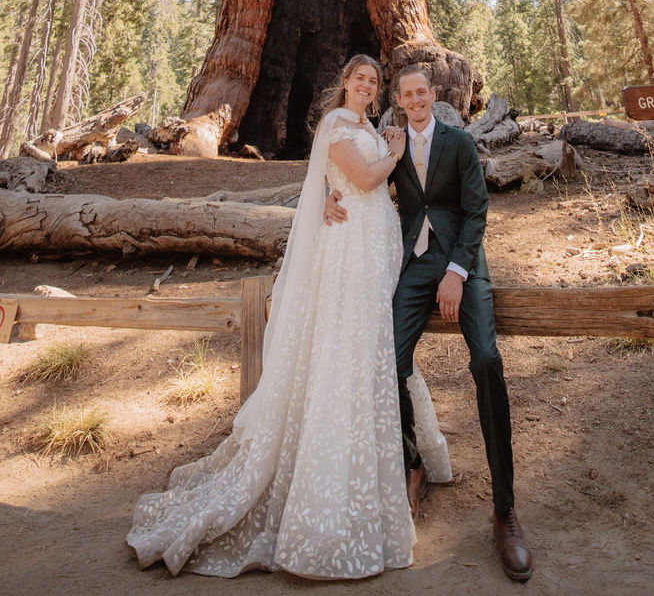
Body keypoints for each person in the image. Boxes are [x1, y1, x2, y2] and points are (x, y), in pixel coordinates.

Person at [126, 53, 449, 579]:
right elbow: (365, 181)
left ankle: (399, 457)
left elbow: (335, 177)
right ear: (344, 82)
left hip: (375, 244)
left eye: (373, 81)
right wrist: (388, 156)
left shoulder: (366, 124)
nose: (367, 86)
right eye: (359, 79)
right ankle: (333, 477)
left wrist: (331, 189)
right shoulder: (340, 123)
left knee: (378, 347)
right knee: (350, 344)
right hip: (351, 251)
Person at [326, 64, 533, 583]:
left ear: (434, 95)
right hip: (415, 266)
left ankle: (505, 509)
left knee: (486, 360)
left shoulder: (460, 142)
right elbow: (361, 180)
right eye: (407, 95)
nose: (416, 100)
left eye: (423, 92)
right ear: (397, 101)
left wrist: (459, 272)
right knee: (389, 360)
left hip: (464, 265)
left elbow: (477, 208)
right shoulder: (388, 142)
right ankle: (411, 462)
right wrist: (332, 195)